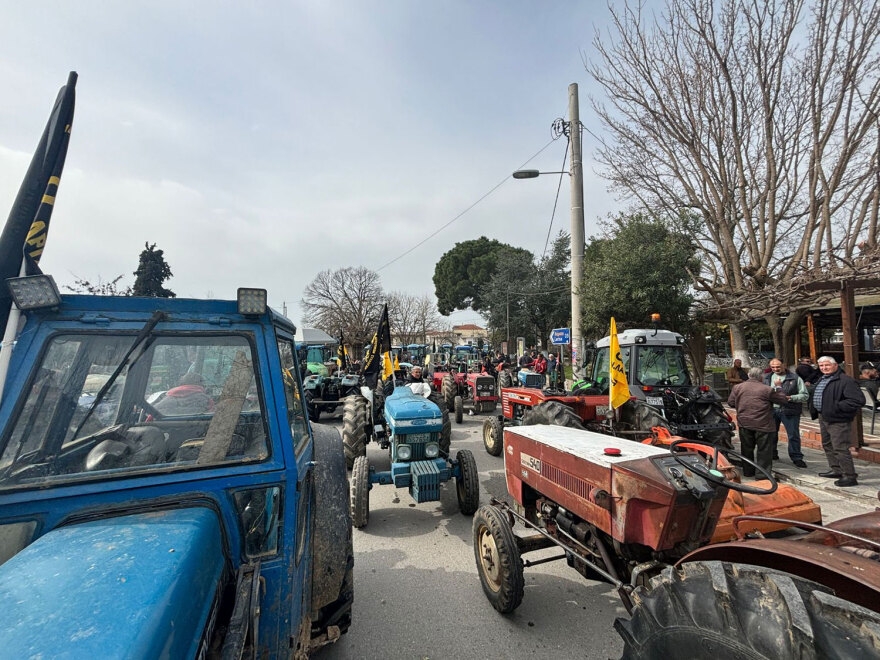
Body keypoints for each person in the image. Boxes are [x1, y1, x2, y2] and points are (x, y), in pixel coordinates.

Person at [809, 356, 866, 487]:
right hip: (824, 416)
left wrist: (836, 407)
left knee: (840, 448)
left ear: (835, 365)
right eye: (821, 366)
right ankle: (836, 470)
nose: (824, 368)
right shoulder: (823, 378)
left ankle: (849, 476)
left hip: (838, 419)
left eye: (827, 365)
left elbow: (857, 400)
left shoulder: (845, 380)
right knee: (828, 445)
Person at [728, 367, 790, 477]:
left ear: (749, 376)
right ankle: (762, 475)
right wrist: (779, 387)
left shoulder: (737, 387)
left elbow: (731, 403)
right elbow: (783, 400)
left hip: (744, 423)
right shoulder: (767, 389)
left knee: (746, 449)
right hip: (763, 424)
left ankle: (748, 472)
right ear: (762, 376)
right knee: (764, 451)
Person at [763, 359, 808, 468]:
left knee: (793, 435)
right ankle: (772, 453)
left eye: (778, 367)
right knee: (771, 434)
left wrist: (791, 398)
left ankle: (796, 457)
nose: (775, 369)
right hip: (772, 410)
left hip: (790, 410)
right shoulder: (766, 377)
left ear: (784, 365)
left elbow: (805, 395)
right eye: (773, 367)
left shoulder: (795, 378)